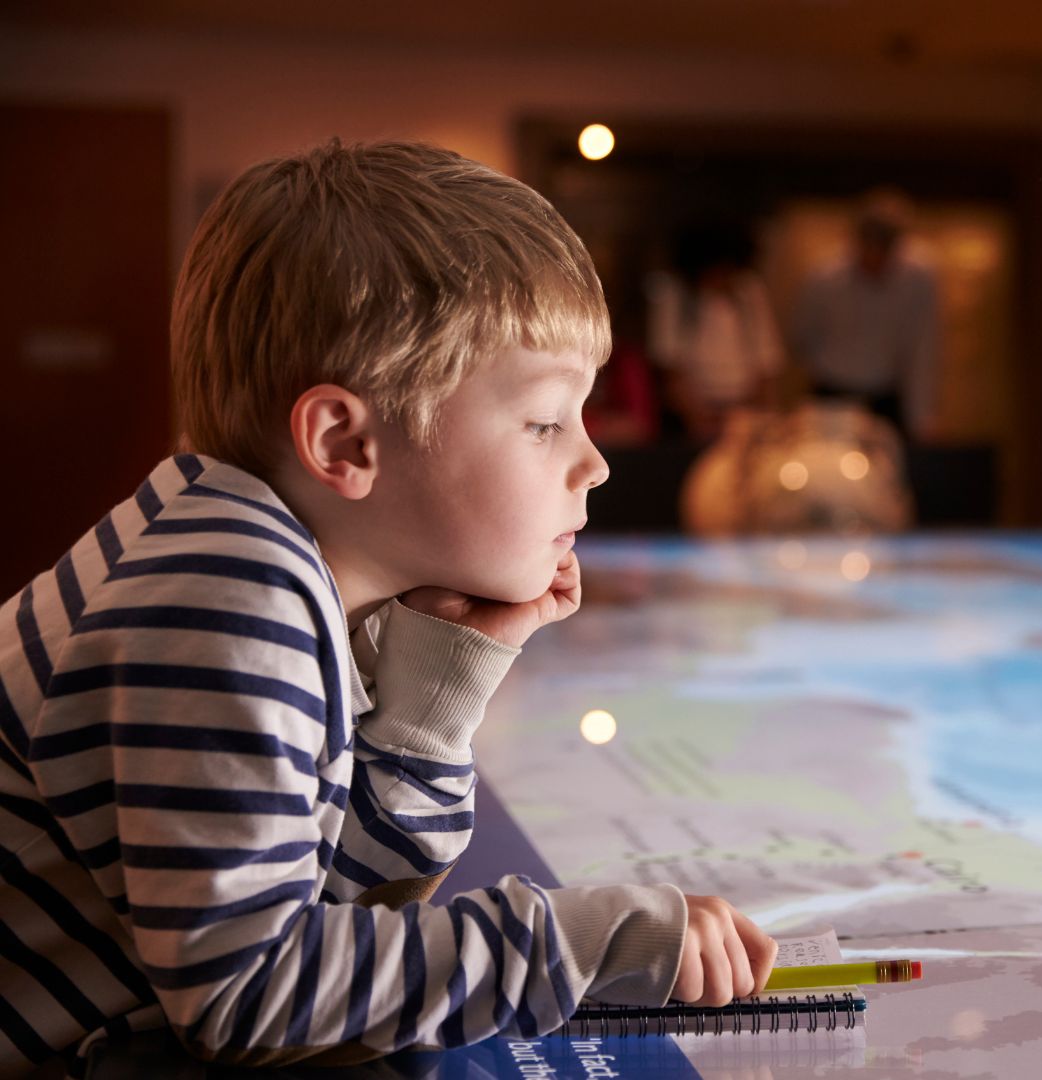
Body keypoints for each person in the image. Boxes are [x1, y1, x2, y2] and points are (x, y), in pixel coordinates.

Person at [0, 140, 777, 1076]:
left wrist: (437, 692)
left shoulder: (259, 557)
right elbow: (252, 1001)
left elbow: (340, 911)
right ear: (345, 442)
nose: (595, 462)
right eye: (543, 422)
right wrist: (575, 942)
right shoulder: (228, 601)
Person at [791, 188, 941, 442]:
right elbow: (802, 336)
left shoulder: (919, 276)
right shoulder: (825, 275)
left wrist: (922, 415)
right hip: (831, 394)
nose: (875, 259)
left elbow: (923, 347)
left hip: (886, 396)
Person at [648, 221, 785, 442]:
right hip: (693, 413)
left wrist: (760, 415)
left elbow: (766, 362)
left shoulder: (750, 291)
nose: (721, 278)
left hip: (743, 410)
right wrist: (697, 418)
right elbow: (670, 367)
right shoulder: (675, 294)